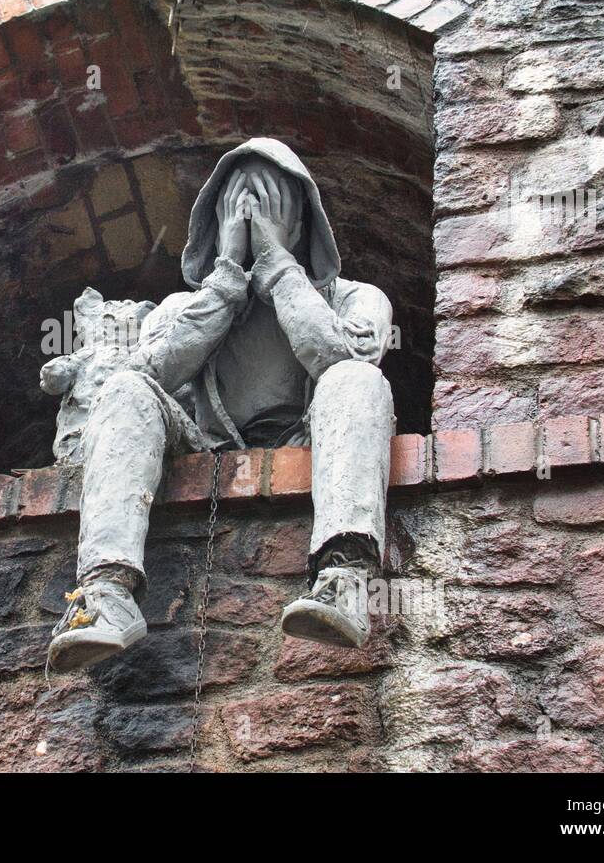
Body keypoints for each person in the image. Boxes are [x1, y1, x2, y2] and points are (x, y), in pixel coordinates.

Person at [46, 138, 395, 673]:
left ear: (300, 221)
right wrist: (228, 276)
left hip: (308, 437)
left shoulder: (356, 298)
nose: (253, 217)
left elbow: (342, 357)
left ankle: (345, 577)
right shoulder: (182, 307)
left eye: (270, 204)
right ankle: (106, 593)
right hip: (203, 447)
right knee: (122, 388)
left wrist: (277, 264)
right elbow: (148, 376)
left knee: (355, 377)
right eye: (238, 207)